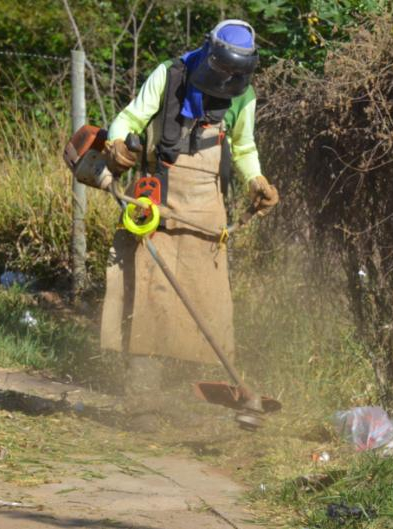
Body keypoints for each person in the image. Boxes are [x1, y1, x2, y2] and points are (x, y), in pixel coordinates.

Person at [99, 19, 279, 407]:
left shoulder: (244, 97)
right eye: (223, 69)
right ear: (209, 55)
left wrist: (257, 182)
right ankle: (143, 397)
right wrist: (117, 144)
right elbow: (130, 119)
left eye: (237, 73)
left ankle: (197, 402)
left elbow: (244, 148)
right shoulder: (170, 75)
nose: (229, 78)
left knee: (207, 304)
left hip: (207, 210)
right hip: (157, 200)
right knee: (151, 299)